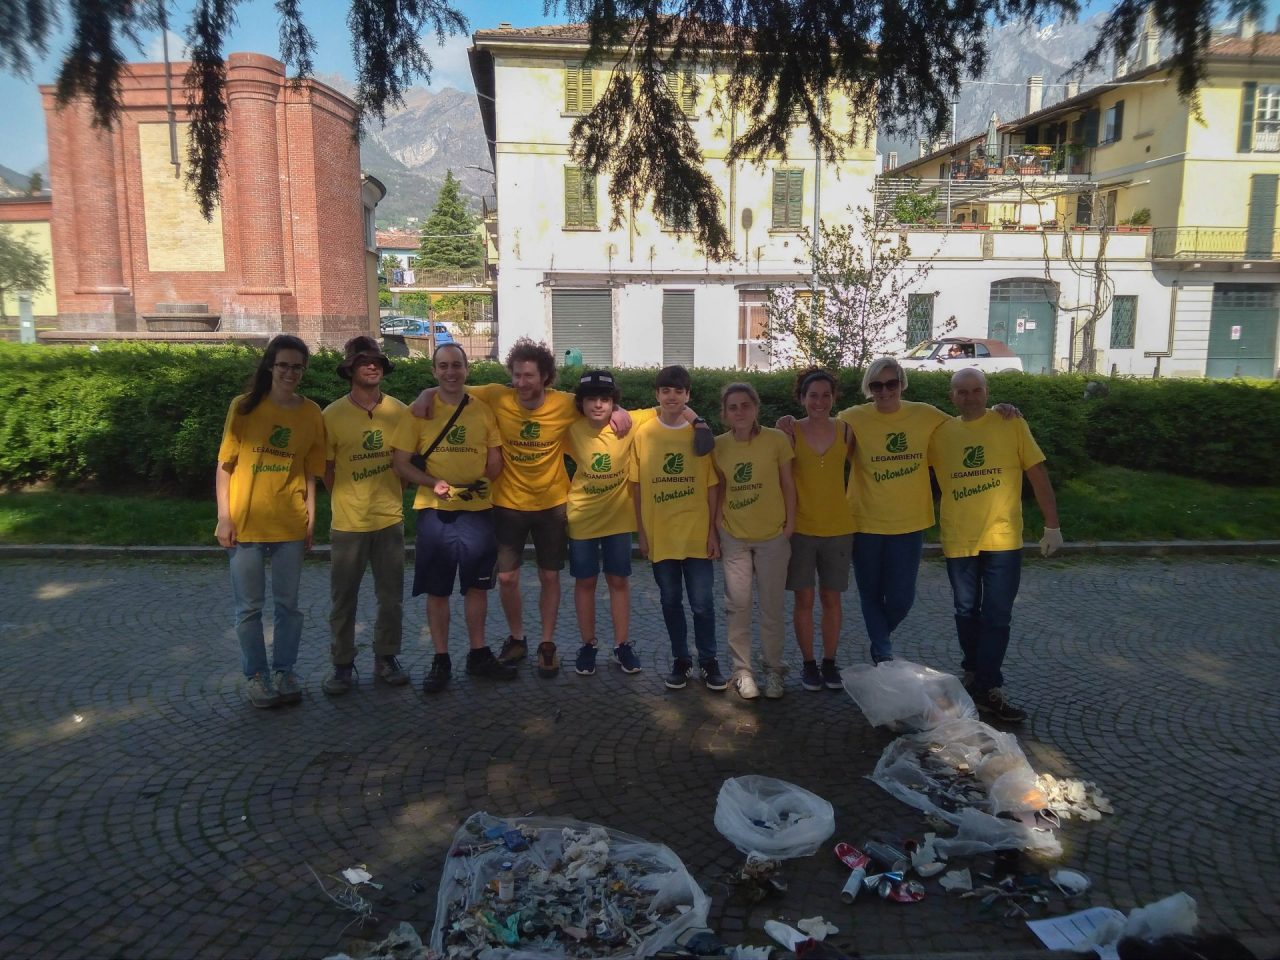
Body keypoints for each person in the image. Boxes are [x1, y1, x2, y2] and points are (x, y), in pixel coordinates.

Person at [411, 339, 631, 679]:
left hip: (552, 503)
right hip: (507, 503)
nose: (521, 383)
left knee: (548, 576)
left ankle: (547, 643)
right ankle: (517, 637)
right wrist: (425, 393)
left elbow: (597, 405)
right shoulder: (497, 396)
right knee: (507, 578)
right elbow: (451, 384)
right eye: (516, 375)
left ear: (545, 377)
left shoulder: (564, 404)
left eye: (529, 376)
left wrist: (619, 410)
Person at [835, 357, 1020, 665]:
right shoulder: (852, 417)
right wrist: (789, 423)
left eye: (891, 384)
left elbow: (968, 424)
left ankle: (881, 636)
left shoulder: (925, 415)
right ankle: (882, 651)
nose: (884, 391)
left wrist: (1000, 411)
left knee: (901, 599)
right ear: (869, 388)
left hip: (910, 523)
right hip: (864, 522)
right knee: (870, 592)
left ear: (902, 384)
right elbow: (820, 437)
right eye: (877, 385)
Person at [929, 368, 1062, 722]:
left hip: (1003, 537)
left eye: (976, 390)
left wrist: (1052, 525)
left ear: (987, 393)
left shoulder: (1011, 423)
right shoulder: (939, 433)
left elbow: (1037, 473)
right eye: (962, 391)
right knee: (965, 611)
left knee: (997, 615)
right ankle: (973, 671)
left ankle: (988, 685)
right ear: (951, 397)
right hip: (960, 538)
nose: (969, 397)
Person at [392, 343, 515, 693]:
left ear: (467, 369)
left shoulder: (482, 410)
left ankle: (478, 654)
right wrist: (433, 483)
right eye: (443, 366)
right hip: (435, 511)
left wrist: (485, 479)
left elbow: (495, 458)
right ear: (434, 372)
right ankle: (441, 659)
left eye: (456, 366)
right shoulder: (419, 412)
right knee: (438, 589)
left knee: (477, 587)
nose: (450, 372)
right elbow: (400, 463)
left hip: (477, 511)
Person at [215, 334, 326, 709]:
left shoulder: (311, 413)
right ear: (270, 366)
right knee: (248, 607)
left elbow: (311, 472)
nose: (290, 372)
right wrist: (224, 517)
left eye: (297, 366)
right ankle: (256, 676)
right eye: (283, 365)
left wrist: (312, 517)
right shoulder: (244, 408)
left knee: (289, 606)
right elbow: (225, 467)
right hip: (245, 522)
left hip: (290, 522)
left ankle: (284, 670)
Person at [320, 336, 409, 695]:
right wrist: (344, 498)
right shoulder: (331, 415)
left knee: (391, 598)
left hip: (389, 519)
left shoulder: (399, 411)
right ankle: (342, 663)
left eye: (376, 362)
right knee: (344, 599)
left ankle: (386, 656)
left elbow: (405, 461)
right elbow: (326, 469)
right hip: (348, 523)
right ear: (350, 370)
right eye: (363, 362)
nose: (371, 366)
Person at [629, 365, 726, 691]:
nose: (672, 396)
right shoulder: (644, 435)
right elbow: (637, 486)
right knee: (670, 602)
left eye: (679, 391)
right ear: (657, 395)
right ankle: (681, 659)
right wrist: (641, 532)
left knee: (702, 604)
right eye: (666, 391)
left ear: (688, 396)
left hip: (697, 535)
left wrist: (713, 531)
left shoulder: (697, 436)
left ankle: (709, 660)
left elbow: (712, 486)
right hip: (661, 536)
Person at [713, 382, 795, 700]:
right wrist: (718, 524)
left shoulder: (776, 440)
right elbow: (717, 487)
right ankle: (743, 670)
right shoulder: (719, 445)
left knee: (772, 607)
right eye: (733, 407)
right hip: (734, 535)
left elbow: (788, 483)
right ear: (724, 413)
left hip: (773, 535)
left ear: (756, 408)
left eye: (745, 405)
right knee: (738, 605)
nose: (740, 412)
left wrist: (790, 524)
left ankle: (774, 669)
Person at [780, 369, 856, 692]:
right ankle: (809, 664)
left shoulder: (847, 431)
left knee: (831, 598)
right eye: (813, 396)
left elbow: (869, 467)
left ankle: (829, 662)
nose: (820, 402)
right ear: (802, 399)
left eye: (826, 395)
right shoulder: (789, 431)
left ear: (834, 398)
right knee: (804, 599)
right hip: (800, 528)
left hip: (839, 528)